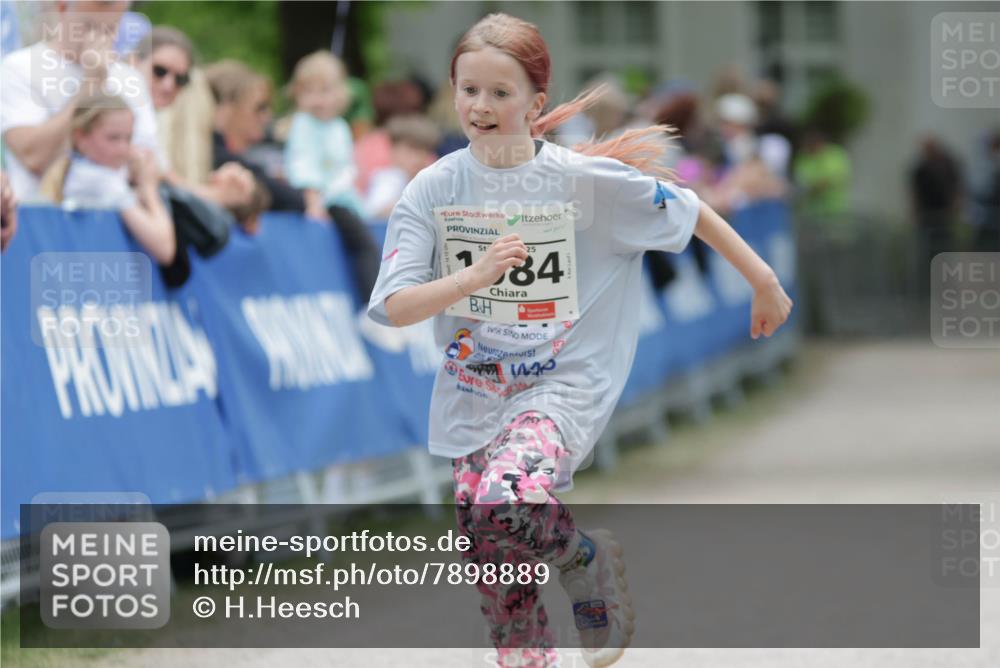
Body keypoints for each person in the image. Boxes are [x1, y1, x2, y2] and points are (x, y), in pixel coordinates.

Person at [366, 13, 793, 668]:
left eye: (500, 92)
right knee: (496, 570)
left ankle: (580, 557)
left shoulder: (580, 183)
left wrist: (763, 281)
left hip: (562, 385)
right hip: (473, 393)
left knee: (505, 496)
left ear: (535, 104)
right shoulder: (433, 188)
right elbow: (394, 308)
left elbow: (689, 209)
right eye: (469, 89)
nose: (481, 106)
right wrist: (473, 278)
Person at [0, 0, 159, 201]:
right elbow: (33, 158)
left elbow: (147, 165)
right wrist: (90, 84)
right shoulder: (18, 68)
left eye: (110, 29)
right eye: (90, 27)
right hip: (40, 214)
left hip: (116, 214)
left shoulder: (130, 79)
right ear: (62, 8)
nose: (100, 38)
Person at [39, 93, 175, 266]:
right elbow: (164, 249)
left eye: (128, 138)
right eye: (113, 138)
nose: (123, 149)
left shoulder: (93, 172)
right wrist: (149, 188)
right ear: (80, 137)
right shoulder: (100, 180)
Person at [283, 50, 365, 220]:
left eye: (325, 91)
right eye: (308, 91)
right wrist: (313, 201)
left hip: (340, 196)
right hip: (314, 199)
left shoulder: (340, 126)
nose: (317, 99)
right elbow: (303, 162)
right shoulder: (303, 123)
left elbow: (346, 165)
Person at [362, 114, 440, 220]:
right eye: (411, 150)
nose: (418, 158)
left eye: (424, 152)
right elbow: (376, 212)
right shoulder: (388, 177)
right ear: (393, 151)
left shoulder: (426, 181)